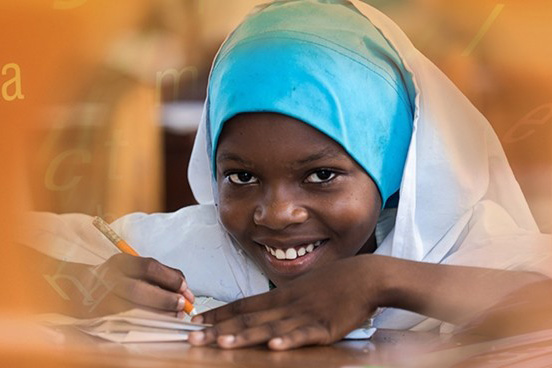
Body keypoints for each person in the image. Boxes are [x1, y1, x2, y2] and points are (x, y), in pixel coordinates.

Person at [23, 0, 552, 351]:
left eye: (322, 175)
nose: (276, 213)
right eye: (242, 177)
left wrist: (380, 281)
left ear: (390, 168)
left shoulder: (448, 243)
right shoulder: (199, 248)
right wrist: (74, 285)